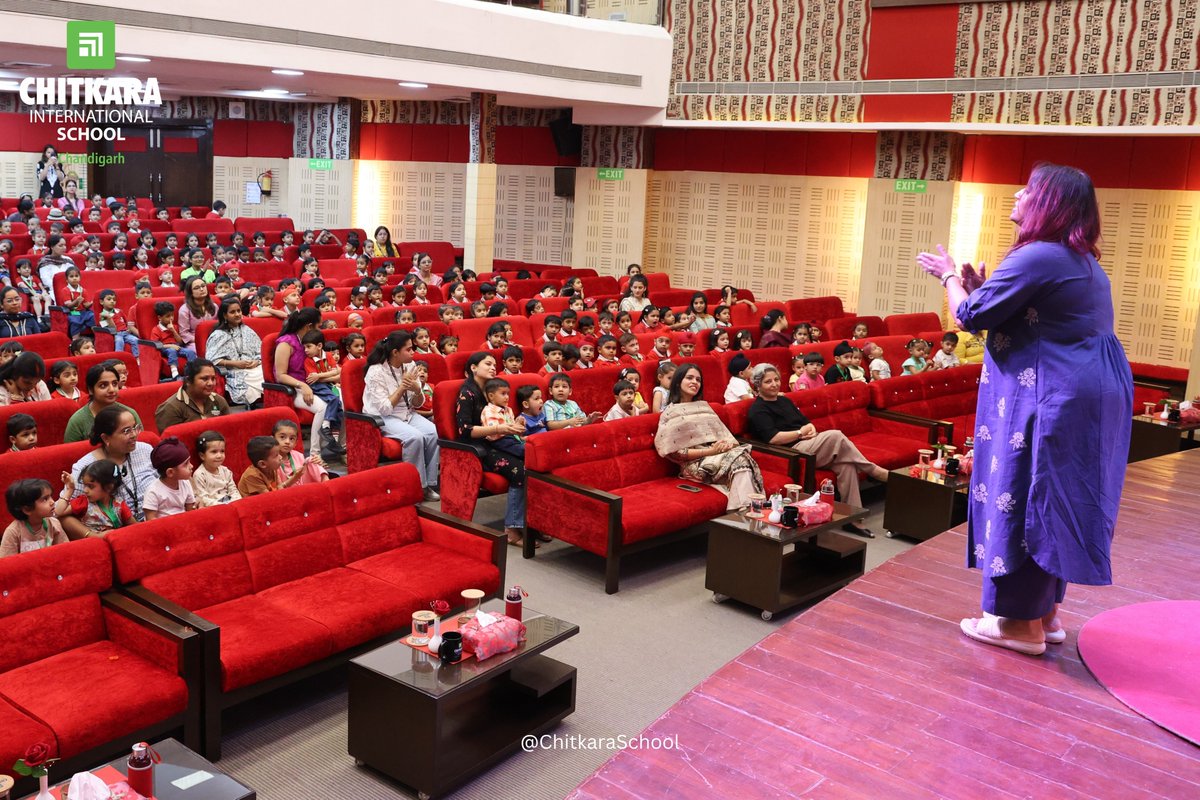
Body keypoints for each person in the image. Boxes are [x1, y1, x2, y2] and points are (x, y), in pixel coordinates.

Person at [916, 163, 1132, 656]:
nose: (1018, 193)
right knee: (1053, 496)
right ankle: (1043, 614)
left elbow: (969, 317)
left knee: (1024, 490)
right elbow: (1018, 316)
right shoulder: (1079, 260)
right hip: (1082, 393)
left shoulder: (1038, 255)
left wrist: (949, 276)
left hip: (1049, 396)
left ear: (1048, 204)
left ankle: (1017, 626)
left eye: (1029, 189)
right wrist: (980, 288)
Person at [746, 364, 888, 535]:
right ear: (757, 385)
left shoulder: (784, 400)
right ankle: (872, 470)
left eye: (776, 379)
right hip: (793, 451)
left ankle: (853, 520)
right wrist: (800, 433)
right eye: (768, 382)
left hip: (810, 442)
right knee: (835, 435)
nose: (775, 384)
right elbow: (773, 438)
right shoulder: (758, 409)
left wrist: (810, 428)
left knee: (847, 466)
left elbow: (806, 422)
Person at [653, 363, 764, 510]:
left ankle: (743, 511)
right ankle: (747, 511)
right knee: (740, 460)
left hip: (717, 456)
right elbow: (676, 453)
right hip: (694, 465)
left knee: (742, 458)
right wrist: (712, 451)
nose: (695, 382)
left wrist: (725, 445)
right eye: (690, 378)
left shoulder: (704, 407)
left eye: (698, 380)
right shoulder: (670, 412)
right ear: (678, 382)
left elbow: (724, 437)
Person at [455, 352, 529, 547]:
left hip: (500, 441)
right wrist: (500, 429)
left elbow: (506, 422)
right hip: (479, 447)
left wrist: (513, 427)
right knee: (521, 471)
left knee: (535, 462)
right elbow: (464, 430)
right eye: (487, 363)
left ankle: (531, 523)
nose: (493, 367)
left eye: (494, 364)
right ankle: (512, 529)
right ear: (473, 368)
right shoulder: (467, 392)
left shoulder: (493, 390)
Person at [362, 330, 440, 499]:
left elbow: (418, 403)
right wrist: (403, 387)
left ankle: (430, 483)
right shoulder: (375, 372)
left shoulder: (410, 366)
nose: (414, 352)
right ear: (395, 352)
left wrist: (417, 390)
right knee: (415, 437)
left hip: (408, 413)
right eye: (409, 349)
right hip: (382, 418)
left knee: (434, 433)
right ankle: (415, 486)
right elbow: (384, 409)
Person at [70, 406, 157, 521]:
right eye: (127, 431)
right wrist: (92, 536)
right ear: (106, 438)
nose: (134, 434)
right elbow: (65, 514)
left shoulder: (145, 450)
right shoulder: (85, 467)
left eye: (135, 428)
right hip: (119, 531)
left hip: (158, 517)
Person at [273, 308, 337, 459]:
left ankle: (340, 446)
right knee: (323, 407)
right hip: (294, 388)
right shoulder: (286, 343)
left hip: (316, 384)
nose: (320, 329)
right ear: (309, 326)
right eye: (318, 325)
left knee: (343, 401)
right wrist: (302, 385)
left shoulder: (312, 342)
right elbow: (280, 375)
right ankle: (315, 454)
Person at [206, 298, 265, 408]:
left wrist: (256, 361)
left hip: (253, 367)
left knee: (268, 373)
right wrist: (235, 363)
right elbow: (211, 360)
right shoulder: (218, 335)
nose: (237, 314)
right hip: (234, 371)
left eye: (239, 311)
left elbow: (260, 351)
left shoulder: (247, 330)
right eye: (232, 312)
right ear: (224, 315)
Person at [55, 459, 135, 538]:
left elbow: (135, 526)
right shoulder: (83, 501)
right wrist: (69, 490)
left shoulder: (120, 505)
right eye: (85, 485)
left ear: (109, 487)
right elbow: (59, 512)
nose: (85, 490)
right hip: (91, 544)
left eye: (90, 486)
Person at [64, 362, 142, 443]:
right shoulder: (77, 421)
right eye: (103, 385)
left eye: (114, 384)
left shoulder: (130, 414)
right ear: (90, 390)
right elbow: (71, 453)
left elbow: (140, 445)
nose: (112, 390)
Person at [154, 359, 230, 432]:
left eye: (213, 378)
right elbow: (169, 443)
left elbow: (229, 430)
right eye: (205, 379)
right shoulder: (171, 408)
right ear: (188, 381)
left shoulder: (219, 401)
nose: (211, 383)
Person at [1, 479, 68, 557]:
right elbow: (7, 562)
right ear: (27, 509)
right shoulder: (13, 532)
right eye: (45, 499)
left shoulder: (54, 523)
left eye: (51, 496)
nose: (52, 502)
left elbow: (65, 551)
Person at [192, 431, 241, 507]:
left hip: (231, 505)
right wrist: (223, 506)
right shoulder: (199, 475)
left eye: (222, 451)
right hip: (214, 508)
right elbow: (203, 498)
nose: (219, 455)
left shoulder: (226, 471)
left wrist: (236, 502)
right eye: (214, 452)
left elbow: (234, 491)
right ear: (202, 456)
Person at [273, 418, 328, 485]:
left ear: (296, 443)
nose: (287, 442)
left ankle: (327, 486)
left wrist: (316, 461)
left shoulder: (298, 455)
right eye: (282, 437)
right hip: (284, 489)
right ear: (273, 439)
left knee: (312, 460)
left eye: (291, 439)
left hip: (302, 485)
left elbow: (305, 469)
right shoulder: (271, 458)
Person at [150, 301, 193, 380]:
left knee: (190, 352)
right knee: (171, 351)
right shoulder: (156, 330)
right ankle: (175, 374)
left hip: (177, 346)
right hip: (165, 348)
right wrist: (170, 346)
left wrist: (173, 331)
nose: (171, 318)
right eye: (168, 316)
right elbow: (156, 345)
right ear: (159, 318)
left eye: (172, 315)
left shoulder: (175, 327)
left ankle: (191, 372)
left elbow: (180, 342)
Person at [177, 277, 217, 351]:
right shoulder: (185, 309)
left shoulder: (214, 306)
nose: (201, 289)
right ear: (190, 293)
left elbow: (219, 326)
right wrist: (201, 340)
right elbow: (184, 333)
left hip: (214, 338)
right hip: (195, 342)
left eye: (203, 286)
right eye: (197, 288)